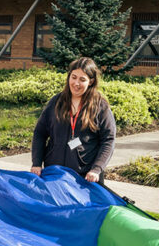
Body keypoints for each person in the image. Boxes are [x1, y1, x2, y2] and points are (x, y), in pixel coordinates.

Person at [30, 57, 116, 185]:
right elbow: (40, 133)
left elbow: (108, 140)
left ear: (91, 82)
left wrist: (96, 169)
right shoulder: (56, 102)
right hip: (55, 174)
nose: (76, 83)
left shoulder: (100, 106)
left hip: (85, 178)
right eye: (73, 77)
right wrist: (36, 163)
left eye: (82, 80)